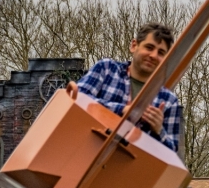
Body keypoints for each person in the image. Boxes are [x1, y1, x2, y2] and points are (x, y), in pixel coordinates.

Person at [77, 23, 182, 152]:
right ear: (134, 46)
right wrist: (122, 110)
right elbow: (77, 99)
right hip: (85, 154)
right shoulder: (106, 69)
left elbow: (171, 156)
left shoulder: (169, 101)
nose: (154, 55)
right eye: (149, 47)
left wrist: (159, 130)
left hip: (129, 169)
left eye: (161, 52)